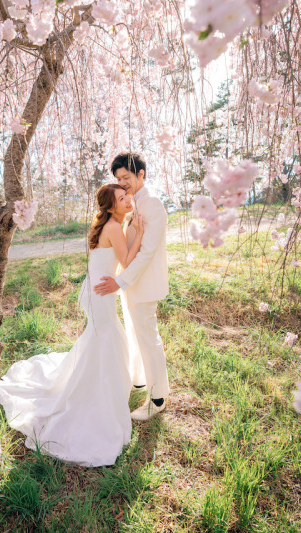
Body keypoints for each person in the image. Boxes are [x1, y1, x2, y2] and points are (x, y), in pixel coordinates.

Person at [0, 184, 144, 467]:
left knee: (103, 339)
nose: (128, 200)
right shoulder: (114, 227)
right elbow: (127, 260)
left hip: (97, 291)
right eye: (121, 199)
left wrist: (130, 224)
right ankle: (94, 394)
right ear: (110, 206)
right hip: (101, 294)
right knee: (105, 339)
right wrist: (137, 230)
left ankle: (100, 385)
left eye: (127, 196)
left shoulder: (114, 224)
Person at [94, 152, 170, 421]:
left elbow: (147, 252)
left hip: (144, 284)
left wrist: (120, 281)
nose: (122, 183)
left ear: (141, 175)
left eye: (127, 177)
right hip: (130, 284)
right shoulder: (131, 205)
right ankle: (139, 380)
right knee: (134, 334)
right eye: (118, 179)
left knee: (149, 339)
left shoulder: (153, 205)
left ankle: (158, 397)